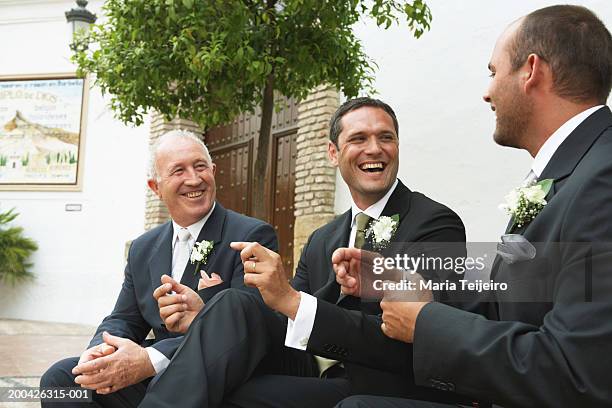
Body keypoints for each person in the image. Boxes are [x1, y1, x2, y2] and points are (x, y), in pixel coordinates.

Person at [334, 5, 612, 408]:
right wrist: (408, 285)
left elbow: (579, 374)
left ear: (531, 71)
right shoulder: (572, 171)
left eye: (493, 72)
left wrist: (427, 324)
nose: (487, 92)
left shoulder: (601, 181)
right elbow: (513, 299)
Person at [139, 97, 467, 408]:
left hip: (382, 381)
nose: (374, 148)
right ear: (333, 153)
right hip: (311, 366)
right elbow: (285, 321)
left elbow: (422, 336)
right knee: (233, 303)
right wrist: (209, 317)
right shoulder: (323, 238)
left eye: (386, 137)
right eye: (358, 138)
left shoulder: (435, 223)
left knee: (236, 395)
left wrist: (292, 300)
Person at [39, 130, 277, 407]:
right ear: (155, 187)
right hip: (156, 372)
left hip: (220, 374)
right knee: (62, 381)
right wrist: (100, 351)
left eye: (200, 166)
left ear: (213, 171)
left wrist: (150, 360)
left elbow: (247, 327)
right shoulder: (143, 247)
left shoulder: (251, 235)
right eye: (179, 170)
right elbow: (125, 319)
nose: (194, 178)